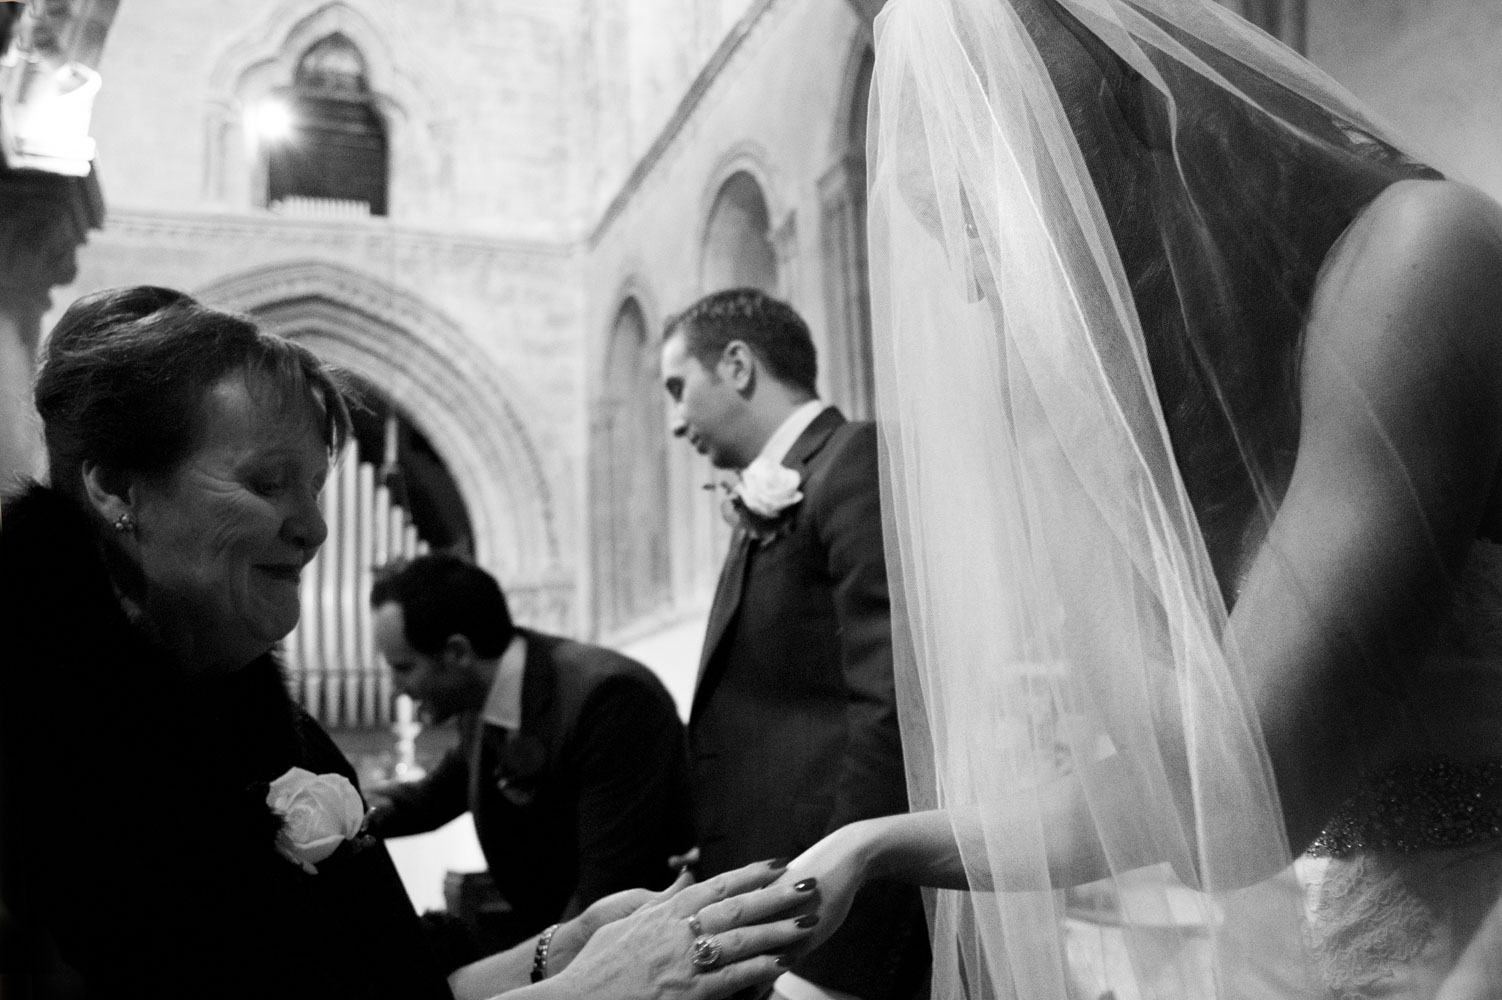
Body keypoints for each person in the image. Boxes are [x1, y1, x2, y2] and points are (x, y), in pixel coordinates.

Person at [768, 1, 1502, 999]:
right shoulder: (1207, 389)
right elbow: (1162, 788)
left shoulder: (1416, 257)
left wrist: (1059, 434)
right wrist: (880, 842)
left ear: (1103, 146)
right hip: (1361, 931)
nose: (979, 295)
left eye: (983, 226)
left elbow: (1233, 803)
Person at [0, 285, 816, 1000]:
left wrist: (559, 950)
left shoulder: (268, 721)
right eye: (265, 481)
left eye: (318, 484)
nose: (317, 527)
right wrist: (594, 988)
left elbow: (385, 982)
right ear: (115, 486)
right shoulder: (57, 755)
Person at [660, 288, 929, 1000]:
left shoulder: (853, 463)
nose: (674, 419)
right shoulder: (768, 494)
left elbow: (893, 710)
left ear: (739, 366)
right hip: (781, 905)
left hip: (836, 933)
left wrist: (834, 955)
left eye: (678, 387)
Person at [365, 553, 694, 950]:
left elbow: (608, 892)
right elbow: (429, 800)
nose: (395, 687)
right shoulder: (480, 699)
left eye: (402, 667)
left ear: (457, 653)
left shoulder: (611, 700)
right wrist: (335, 813)